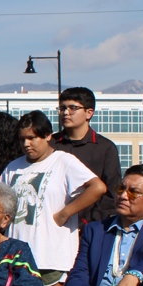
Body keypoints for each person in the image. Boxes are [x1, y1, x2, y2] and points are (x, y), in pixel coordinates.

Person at [2, 110, 105, 286]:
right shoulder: (13, 167)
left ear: (48, 135)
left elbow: (97, 187)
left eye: (32, 138)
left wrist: (66, 212)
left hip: (52, 254)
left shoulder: (63, 161)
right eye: (22, 139)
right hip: (17, 255)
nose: (27, 144)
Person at [51, 87, 122, 224]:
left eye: (73, 108)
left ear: (89, 113)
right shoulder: (50, 145)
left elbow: (111, 193)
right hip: (53, 222)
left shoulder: (105, 147)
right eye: (62, 108)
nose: (66, 112)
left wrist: (88, 223)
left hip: (89, 226)